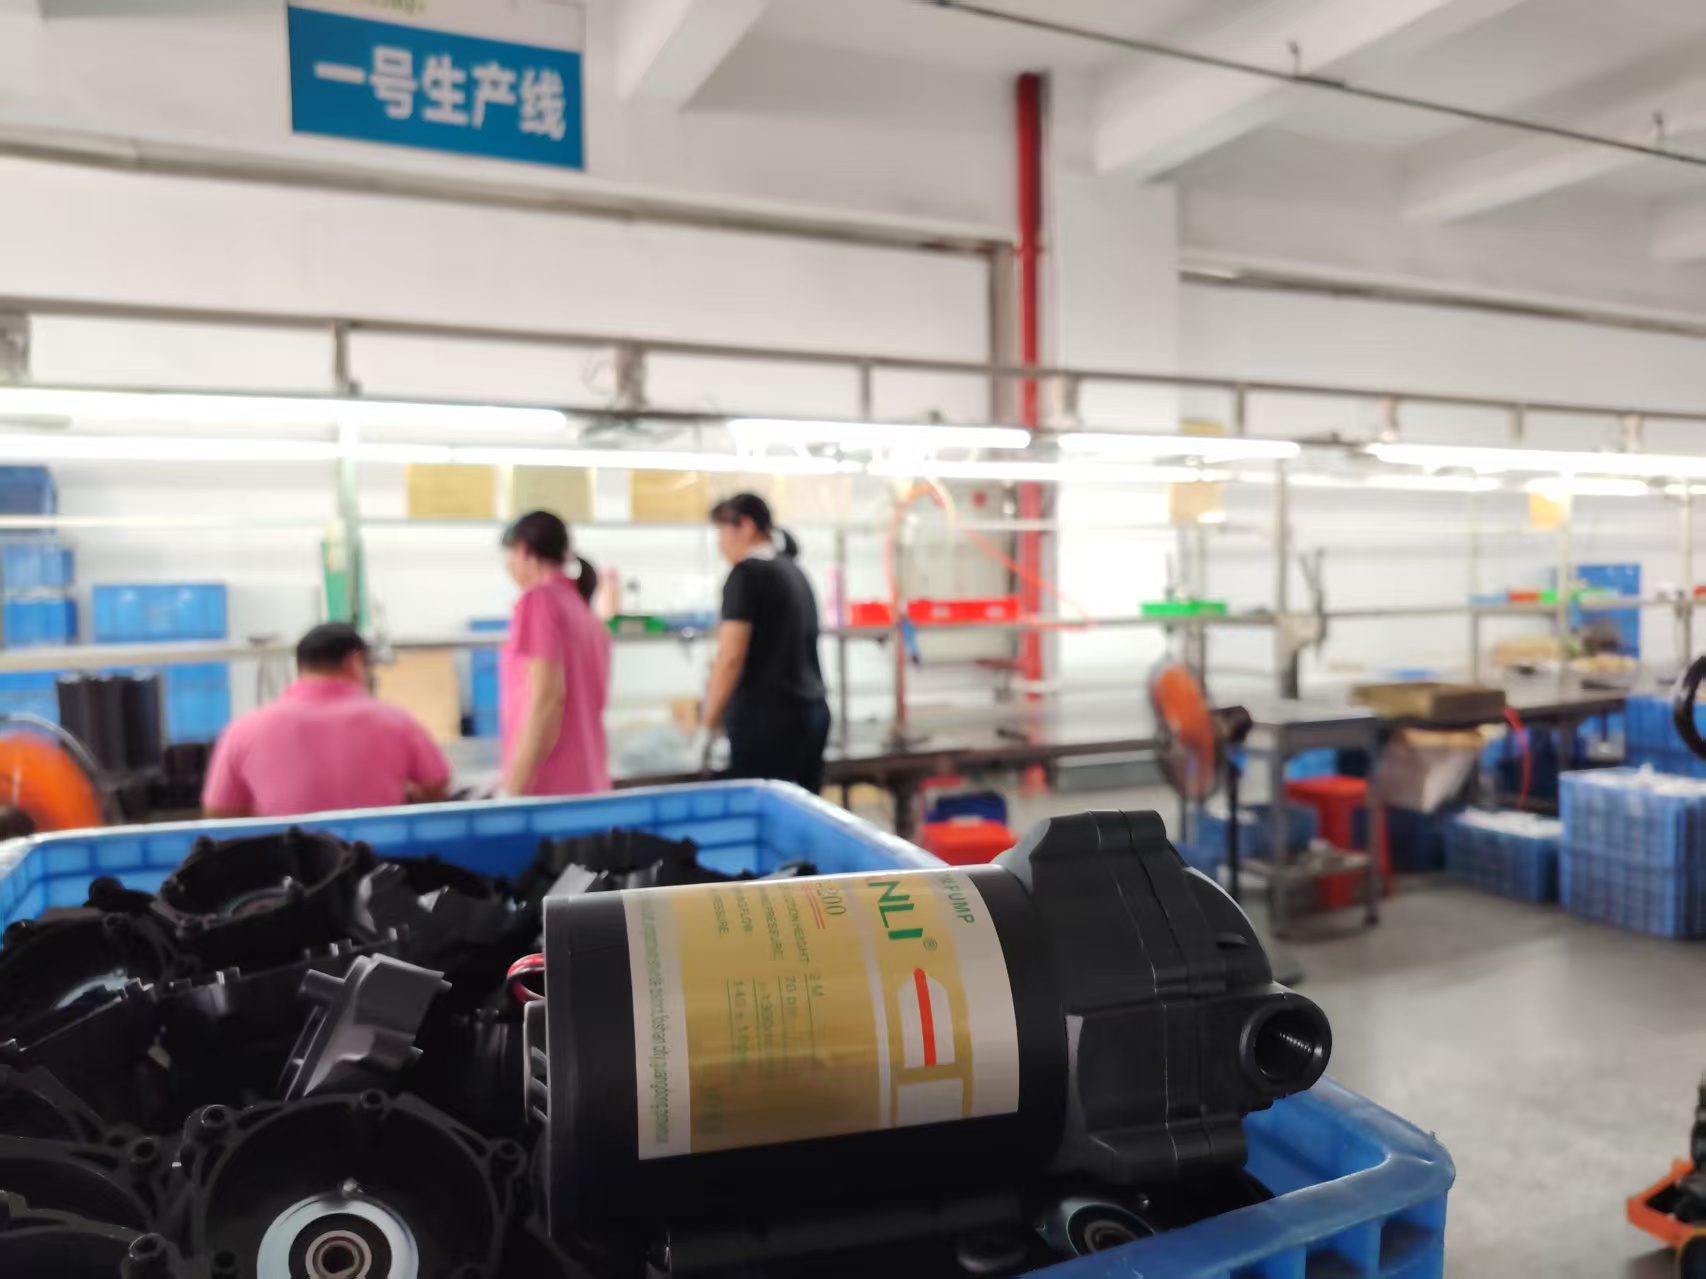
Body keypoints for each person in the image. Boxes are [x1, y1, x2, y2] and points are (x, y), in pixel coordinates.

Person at [202, 623, 451, 819]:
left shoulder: (245, 729)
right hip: (378, 861)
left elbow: (220, 813)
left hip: (290, 864)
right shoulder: (396, 721)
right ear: (355, 662)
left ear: (300, 666)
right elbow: (436, 786)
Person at [703, 493, 831, 791]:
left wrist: (707, 725)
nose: (720, 543)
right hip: (812, 715)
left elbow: (730, 658)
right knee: (800, 813)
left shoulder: (745, 575)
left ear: (746, 526)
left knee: (762, 814)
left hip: (767, 725)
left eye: (722, 532)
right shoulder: (794, 570)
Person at [498, 510, 612, 797]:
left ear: (522, 550)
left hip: (549, 787)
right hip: (588, 781)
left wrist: (512, 789)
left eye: (508, 557)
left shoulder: (538, 601)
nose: (507, 567)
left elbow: (547, 701)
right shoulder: (582, 610)